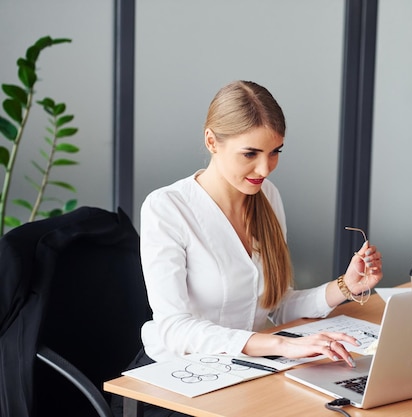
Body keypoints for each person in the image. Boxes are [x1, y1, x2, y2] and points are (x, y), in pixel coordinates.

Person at [113, 80, 383, 416]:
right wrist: (281, 344)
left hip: (246, 370)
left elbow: (277, 304)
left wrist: (345, 286)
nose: (264, 168)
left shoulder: (266, 197)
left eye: (274, 152)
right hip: (178, 383)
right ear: (212, 141)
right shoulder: (168, 208)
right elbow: (173, 327)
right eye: (250, 154)